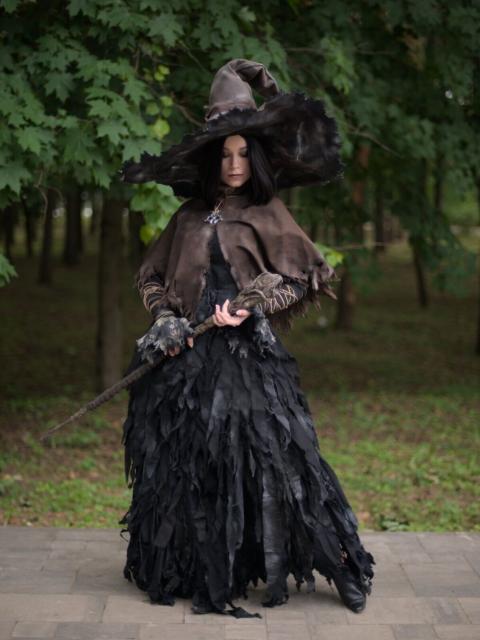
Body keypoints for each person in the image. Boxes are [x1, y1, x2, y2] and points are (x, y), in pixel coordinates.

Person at [119, 59, 375, 619]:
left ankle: (342, 566)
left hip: (247, 360)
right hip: (185, 361)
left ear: (254, 156)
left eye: (243, 153)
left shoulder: (267, 211)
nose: (234, 164)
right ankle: (203, 566)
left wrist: (255, 306)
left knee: (281, 459)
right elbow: (152, 277)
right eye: (225, 153)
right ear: (212, 157)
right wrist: (164, 319)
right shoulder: (187, 218)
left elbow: (304, 278)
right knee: (187, 462)